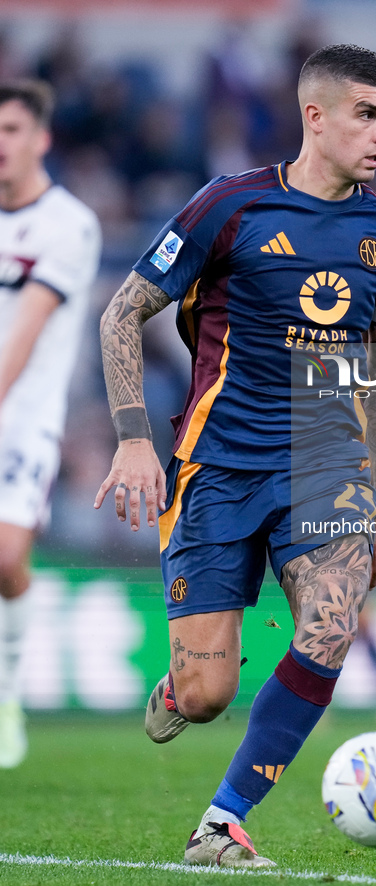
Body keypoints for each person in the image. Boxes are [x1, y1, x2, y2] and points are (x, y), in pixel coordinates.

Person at [95, 44, 376, 867]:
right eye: (366, 114)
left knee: (332, 622)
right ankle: (179, 688)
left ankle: (222, 822)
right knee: (206, 698)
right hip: (219, 466)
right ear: (315, 116)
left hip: (323, 464)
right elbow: (120, 315)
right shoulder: (228, 207)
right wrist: (134, 438)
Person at [0, 80, 101, 767]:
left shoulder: (69, 223)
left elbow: (27, 330)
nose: (0, 145)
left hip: (24, 418)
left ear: (41, 139)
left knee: (5, 559)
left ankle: (6, 695)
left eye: (11, 130)